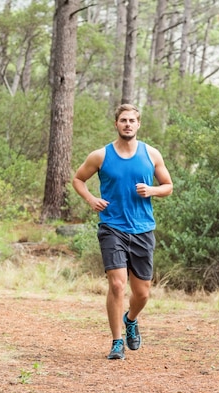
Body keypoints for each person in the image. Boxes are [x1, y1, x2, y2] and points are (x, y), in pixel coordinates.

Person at [72, 103, 173, 360]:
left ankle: (131, 319)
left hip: (142, 229)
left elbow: (168, 186)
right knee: (117, 285)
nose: (127, 124)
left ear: (138, 125)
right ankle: (117, 342)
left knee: (142, 293)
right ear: (116, 124)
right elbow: (78, 179)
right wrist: (90, 199)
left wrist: (152, 190)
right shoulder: (101, 156)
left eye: (132, 120)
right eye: (123, 120)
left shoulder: (151, 154)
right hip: (112, 227)